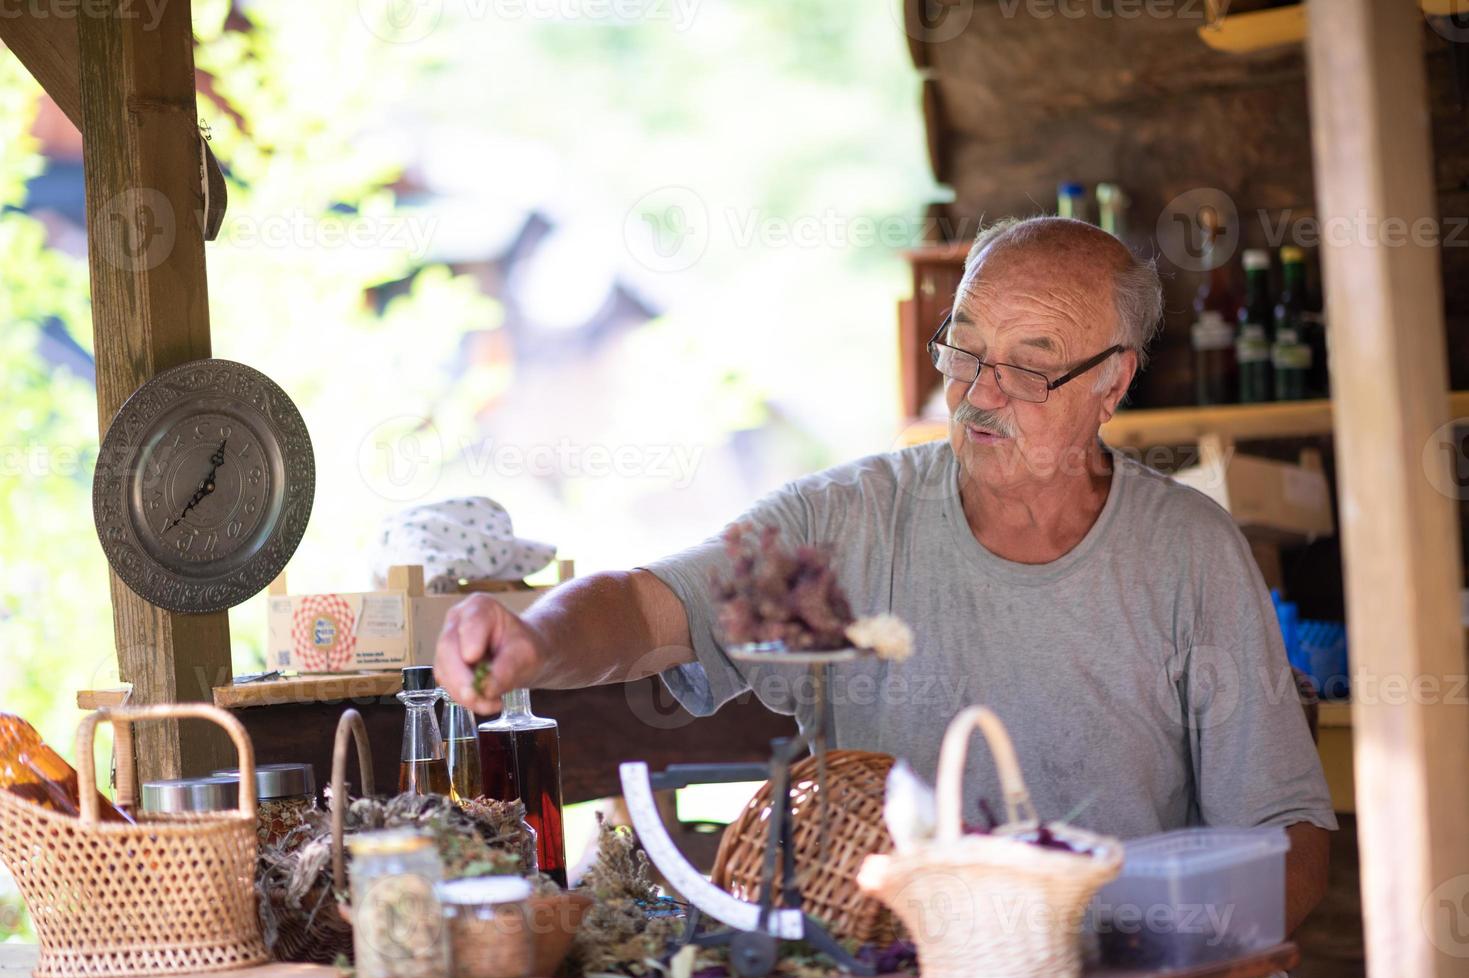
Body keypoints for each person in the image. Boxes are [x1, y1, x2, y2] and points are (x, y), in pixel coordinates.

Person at [436, 216, 1335, 932]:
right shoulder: (846, 529)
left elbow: (1283, 835)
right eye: (966, 348)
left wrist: (1191, 956)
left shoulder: (1187, 552)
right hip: (887, 957)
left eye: (1029, 365)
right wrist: (530, 637)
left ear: (1113, 383)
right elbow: (647, 608)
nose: (980, 391)